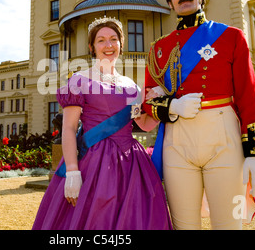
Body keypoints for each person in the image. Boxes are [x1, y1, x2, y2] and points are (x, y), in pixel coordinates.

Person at [143, 0, 255, 230]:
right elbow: (147, 100)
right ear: (170, 2)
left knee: (228, 224)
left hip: (224, 139)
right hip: (178, 142)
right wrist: (172, 105)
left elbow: (249, 96)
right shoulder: (158, 49)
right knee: (183, 225)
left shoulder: (231, 37)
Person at [32, 17, 172, 230]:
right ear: (92, 46)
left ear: (121, 44)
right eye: (101, 40)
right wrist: (72, 171)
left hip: (131, 163)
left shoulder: (131, 86)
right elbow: (69, 129)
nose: (108, 45)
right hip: (94, 162)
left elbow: (143, 124)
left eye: (114, 39)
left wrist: (160, 102)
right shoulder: (80, 80)